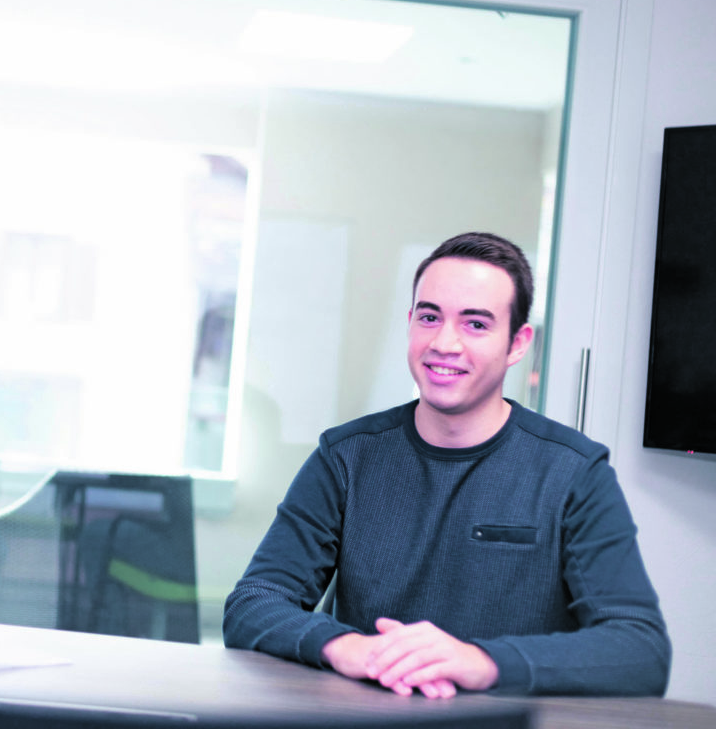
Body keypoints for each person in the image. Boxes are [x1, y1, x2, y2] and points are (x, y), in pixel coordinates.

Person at [223, 231, 670, 698]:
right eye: (429, 317)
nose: (444, 343)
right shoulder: (345, 457)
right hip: (374, 715)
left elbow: (640, 649)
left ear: (517, 343)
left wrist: (480, 662)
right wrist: (346, 647)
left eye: (475, 324)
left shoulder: (575, 473)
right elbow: (254, 603)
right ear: (410, 323)